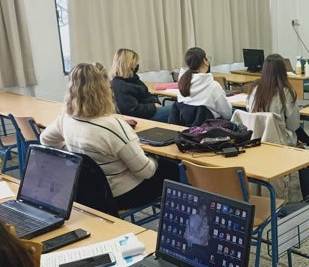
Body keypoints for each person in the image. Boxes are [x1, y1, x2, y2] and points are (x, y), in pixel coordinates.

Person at [40, 63, 179, 209]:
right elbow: (146, 171)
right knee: (173, 168)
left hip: (87, 192)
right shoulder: (113, 127)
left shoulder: (66, 118)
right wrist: (153, 157)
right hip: (120, 195)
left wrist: (74, 155)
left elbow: (45, 139)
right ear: (104, 89)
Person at [247, 54, 309, 149]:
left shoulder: (254, 88)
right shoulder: (286, 92)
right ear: (283, 71)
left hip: (256, 140)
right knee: (306, 149)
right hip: (280, 142)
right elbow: (293, 125)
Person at [110, 48, 171, 122]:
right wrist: (153, 106)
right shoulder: (120, 85)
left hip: (148, 111)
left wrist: (155, 102)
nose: (137, 65)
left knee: (180, 109)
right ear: (129, 64)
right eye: (135, 63)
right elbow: (133, 111)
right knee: (176, 109)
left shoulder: (132, 78)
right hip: (141, 117)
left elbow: (146, 95)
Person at [177, 47, 232, 119]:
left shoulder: (182, 83)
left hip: (185, 124)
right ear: (204, 61)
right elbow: (227, 114)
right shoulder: (213, 86)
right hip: (208, 127)